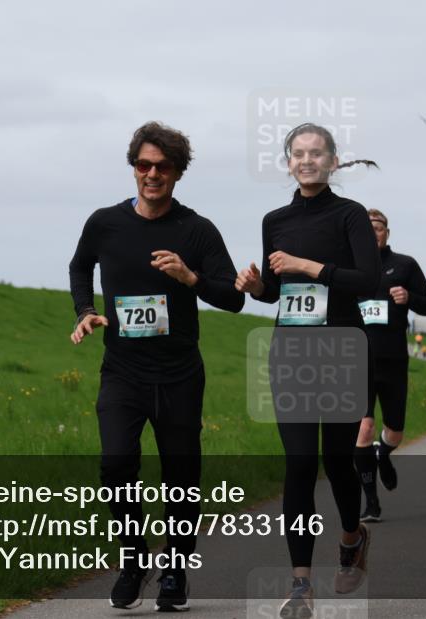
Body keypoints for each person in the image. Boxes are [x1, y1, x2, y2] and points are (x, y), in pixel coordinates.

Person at [69, 122, 245, 611]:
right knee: (115, 463)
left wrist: (190, 276)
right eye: (143, 165)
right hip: (122, 371)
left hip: (179, 374)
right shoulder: (104, 223)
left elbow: (232, 298)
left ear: (177, 173)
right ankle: (133, 558)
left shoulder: (197, 230)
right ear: (134, 168)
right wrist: (85, 312)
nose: (152, 174)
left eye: (162, 167)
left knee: (181, 476)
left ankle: (175, 572)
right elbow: (79, 267)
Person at [235, 123, 379, 617]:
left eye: (317, 153)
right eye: (298, 153)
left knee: (337, 462)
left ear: (333, 162)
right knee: (299, 463)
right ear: (288, 161)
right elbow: (276, 291)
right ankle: (300, 584)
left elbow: (369, 281)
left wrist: (310, 266)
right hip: (291, 353)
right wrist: (256, 287)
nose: (307, 161)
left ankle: (351, 538)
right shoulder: (274, 219)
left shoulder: (350, 215)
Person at [354, 208, 426, 523]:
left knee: (395, 431)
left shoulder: (404, 265)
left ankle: (383, 454)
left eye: (378, 227)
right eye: (367, 227)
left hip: (393, 359)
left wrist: (409, 296)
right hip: (358, 360)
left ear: (387, 232)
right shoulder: (351, 267)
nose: (373, 232)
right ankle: (371, 503)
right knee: (363, 427)